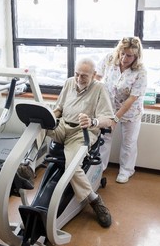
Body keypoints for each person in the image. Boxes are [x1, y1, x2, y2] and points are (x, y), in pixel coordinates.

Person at [46, 57, 114, 228]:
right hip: (63, 126)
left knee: (72, 165)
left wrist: (93, 122)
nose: (79, 79)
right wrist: (50, 117)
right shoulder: (69, 82)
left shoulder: (99, 88)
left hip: (82, 132)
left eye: (84, 76)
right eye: (77, 74)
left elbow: (109, 120)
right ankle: (27, 166)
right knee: (37, 124)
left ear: (94, 75)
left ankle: (95, 200)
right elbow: (59, 108)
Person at [97, 36, 147, 184]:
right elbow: (97, 77)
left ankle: (126, 170)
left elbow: (131, 99)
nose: (125, 58)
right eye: (122, 53)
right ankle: (99, 168)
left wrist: (115, 118)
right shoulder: (109, 59)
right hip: (109, 107)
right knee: (104, 138)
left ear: (136, 56)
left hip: (131, 111)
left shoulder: (141, 71)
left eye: (130, 55)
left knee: (129, 142)